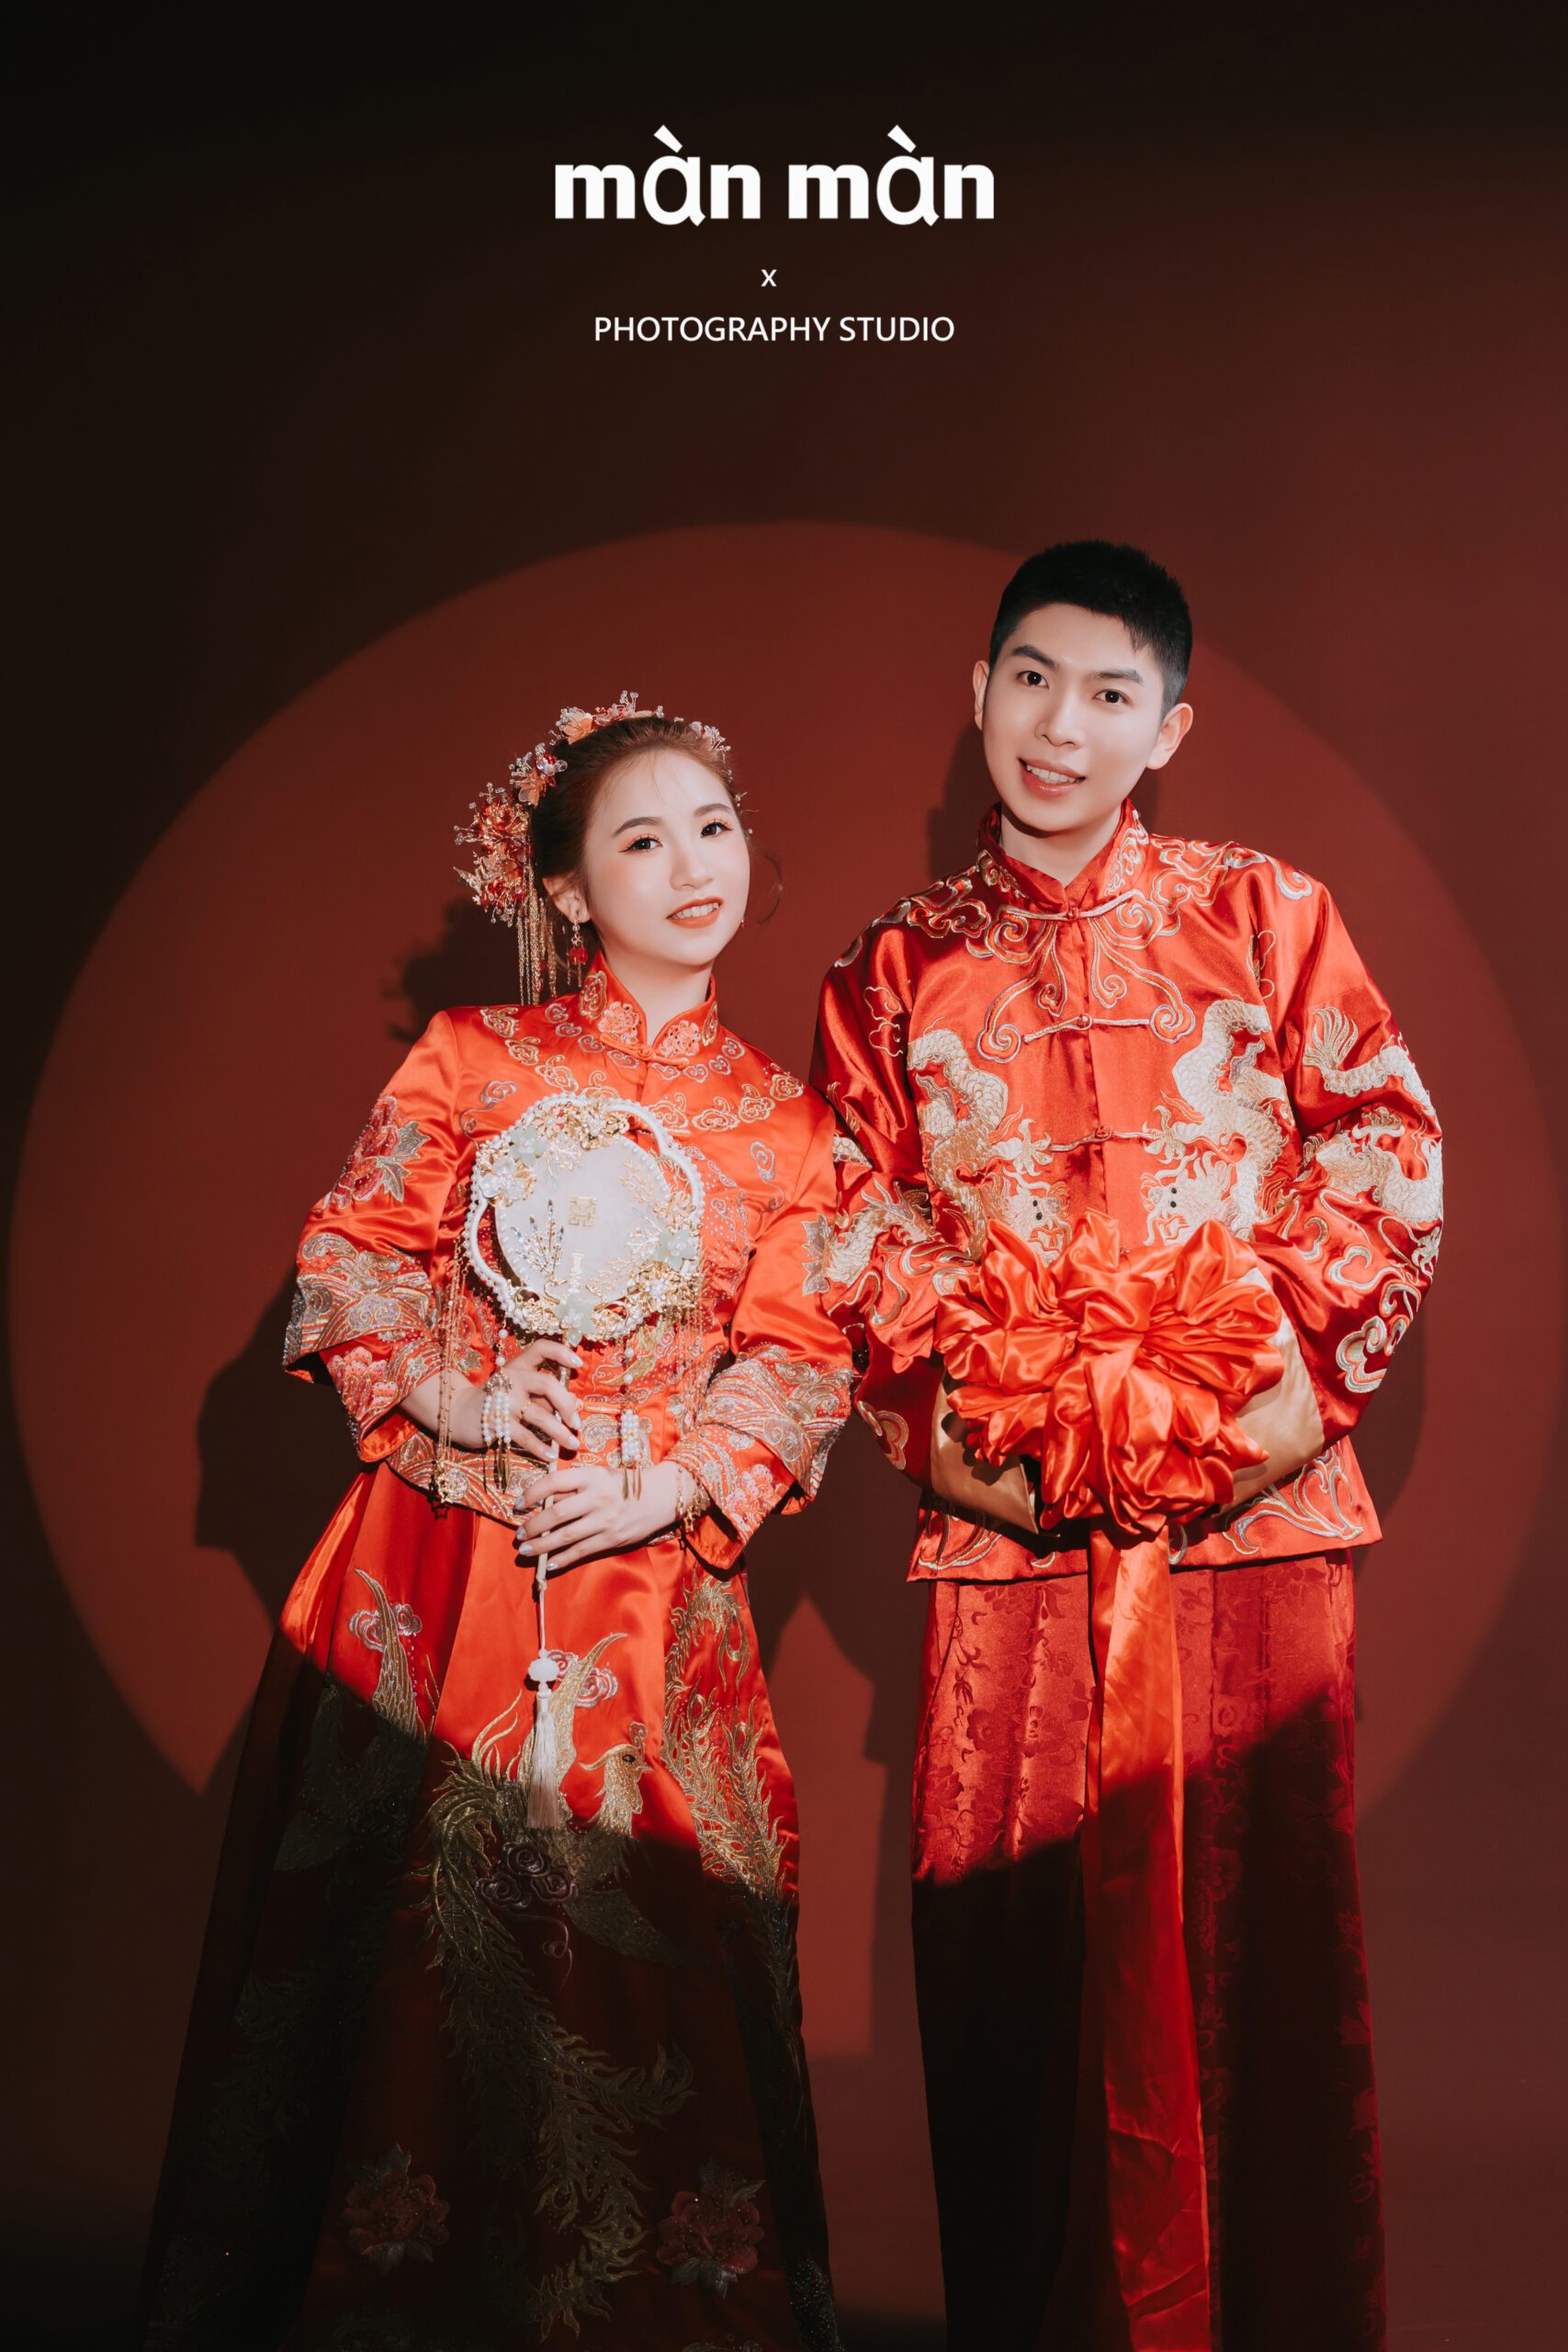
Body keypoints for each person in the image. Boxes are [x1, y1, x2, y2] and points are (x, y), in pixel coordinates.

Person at [142, 697, 853, 2352]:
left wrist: (669, 1483)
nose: (693, 865)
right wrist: (455, 1399)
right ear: (570, 887)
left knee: (642, 1963)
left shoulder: (791, 1124)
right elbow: (350, 1253)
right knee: (409, 1954)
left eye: (713, 828)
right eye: (643, 840)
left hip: (648, 1590)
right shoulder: (474, 1059)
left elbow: (803, 1355)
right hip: (437, 1573)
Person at [811, 544, 1442, 2352]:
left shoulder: (1266, 915)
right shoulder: (888, 971)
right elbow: (848, 1245)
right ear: (979, 691)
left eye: (1107, 694)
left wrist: (1226, 1421)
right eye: (1029, 679)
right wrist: (1022, 1452)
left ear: (1168, 725)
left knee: (1259, 1961)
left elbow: (1386, 1158)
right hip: (1010, 1539)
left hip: (1251, 1531)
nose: (1058, 726)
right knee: (1019, 1979)